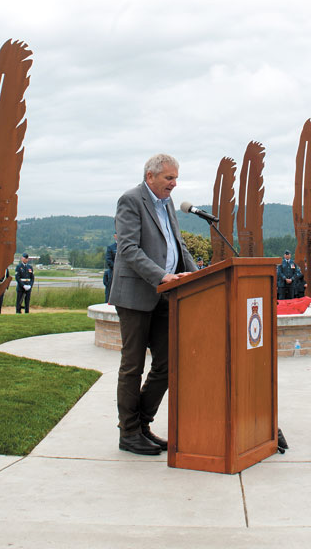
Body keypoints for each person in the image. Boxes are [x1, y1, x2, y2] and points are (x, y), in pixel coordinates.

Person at [108, 154, 196, 456]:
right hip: (135, 295)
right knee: (132, 366)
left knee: (168, 362)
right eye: (169, 178)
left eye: (175, 178)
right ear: (151, 177)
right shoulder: (130, 200)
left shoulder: (167, 204)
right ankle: (128, 432)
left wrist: (198, 278)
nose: (174, 183)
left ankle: (141, 424)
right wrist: (163, 276)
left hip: (165, 294)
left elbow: (178, 245)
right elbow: (128, 249)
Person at [103, 236, 117, 302]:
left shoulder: (126, 247)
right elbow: (108, 260)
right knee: (109, 293)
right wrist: (116, 268)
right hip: (113, 273)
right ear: (115, 236)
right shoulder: (111, 247)